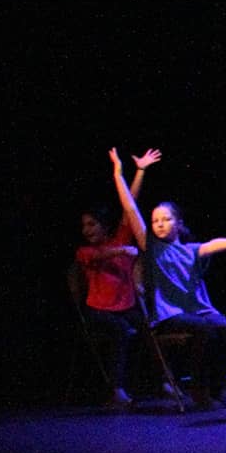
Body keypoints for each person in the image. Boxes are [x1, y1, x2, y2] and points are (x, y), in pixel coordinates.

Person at [134, 153, 226, 408]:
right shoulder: (152, 249)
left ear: (179, 222)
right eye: (155, 221)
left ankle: (216, 387)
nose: (160, 224)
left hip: (198, 312)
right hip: (168, 315)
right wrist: (136, 173)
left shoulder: (189, 250)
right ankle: (198, 389)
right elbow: (130, 208)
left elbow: (211, 245)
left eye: (166, 219)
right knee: (204, 330)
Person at [75, 149, 157, 408]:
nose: (87, 230)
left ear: (104, 224)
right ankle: (117, 390)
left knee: (152, 326)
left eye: (92, 224)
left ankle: (165, 382)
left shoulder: (120, 237)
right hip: (98, 311)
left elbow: (129, 206)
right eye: (84, 226)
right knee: (121, 330)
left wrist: (136, 172)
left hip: (125, 308)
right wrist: (122, 251)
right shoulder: (86, 252)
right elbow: (99, 257)